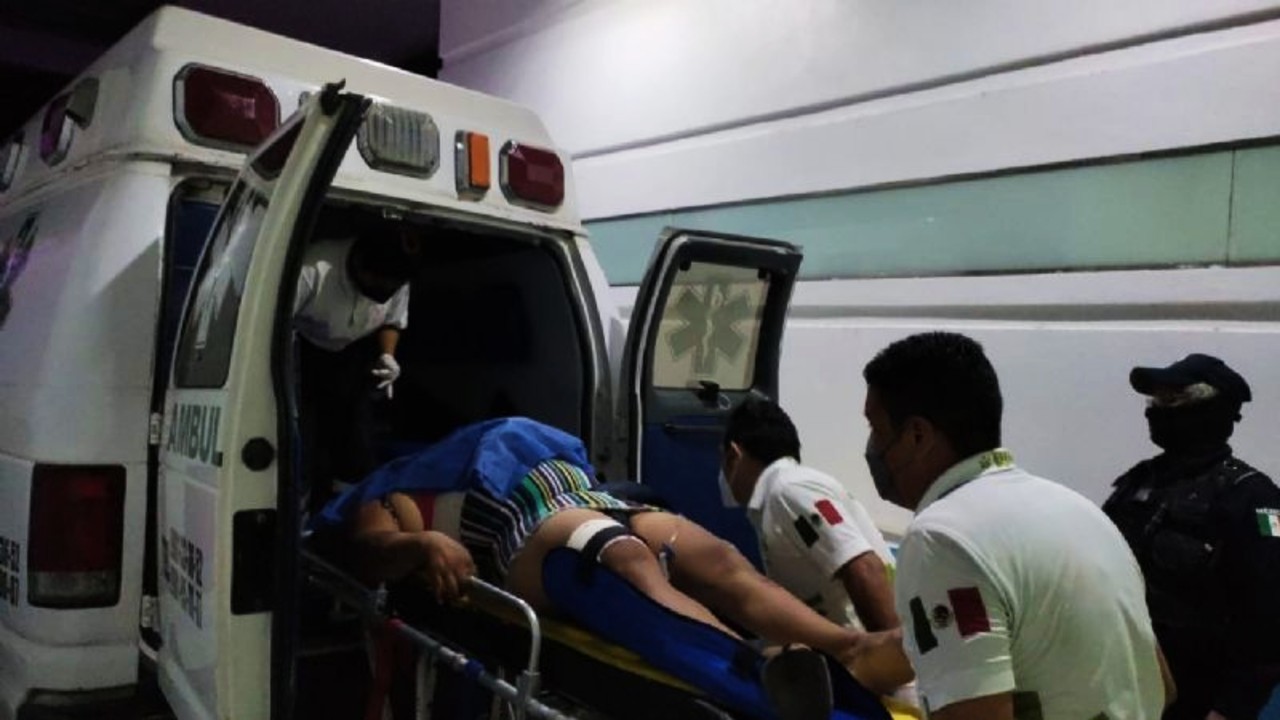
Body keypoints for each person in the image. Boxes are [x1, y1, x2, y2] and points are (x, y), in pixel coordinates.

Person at [312, 417, 869, 670]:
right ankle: (753, 667)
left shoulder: (479, 452)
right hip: (529, 528)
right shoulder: (393, 492)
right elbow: (369, 550)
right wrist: (425, 545)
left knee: (720, 559)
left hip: (589, 495)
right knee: (624, 557)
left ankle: (849, 647)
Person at [859, 331, 1171, 719]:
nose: (872, 447)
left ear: (917, 435)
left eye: (876, 429)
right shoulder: (1081, 511)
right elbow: (1160, 683)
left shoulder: (941, 539)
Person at [1102, 353, 1280, 720]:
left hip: (1201, 697)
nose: (1156, 411)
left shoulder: (1254, 498)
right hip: (1126, 688)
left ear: (1213, 410)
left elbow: (1269, 617)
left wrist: (1230, 708)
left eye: (1173, 401)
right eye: (1155, 401)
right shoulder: (1138, 484)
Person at [721, 397, 898, 632]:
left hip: (868, 643)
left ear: (734, 455)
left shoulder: (787, 491)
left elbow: (864, 568)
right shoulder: (777, 498)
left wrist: (889, 649)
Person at [293, 220, 421, 511]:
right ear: (360, 262)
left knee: (357, 443)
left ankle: (347, 512)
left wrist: (388, 356)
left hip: (355, 352)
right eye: (377, 283)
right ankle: (301, 516)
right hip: (303, 347)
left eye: (390, 287)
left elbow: (392, 321)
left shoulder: (396, 280)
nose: (384, 290)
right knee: (303, 442)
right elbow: (272, 324)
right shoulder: (313, 269)